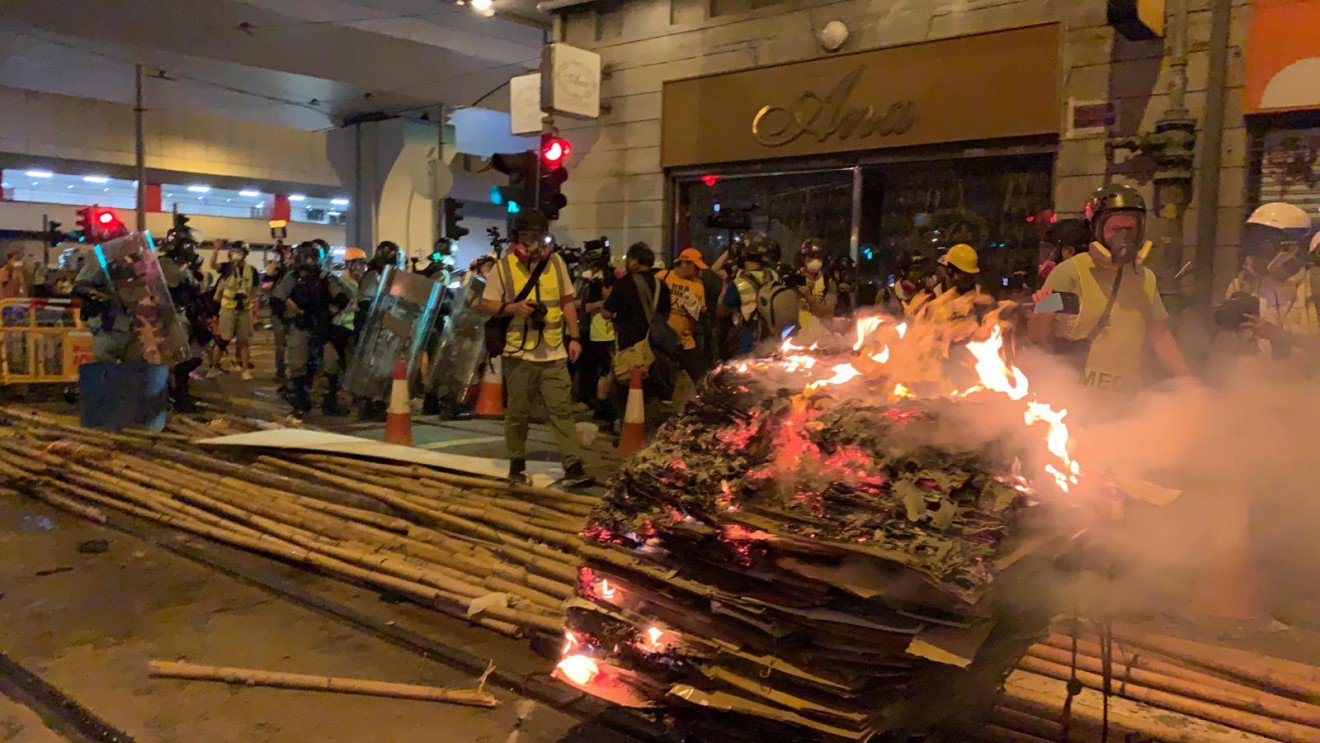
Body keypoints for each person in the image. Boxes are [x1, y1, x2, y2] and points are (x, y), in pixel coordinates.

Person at [1029, 183, 1191, 395]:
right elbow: (1035, 335)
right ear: (1098, 229)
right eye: (1115, 230)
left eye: (1129, 230)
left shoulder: (1145, 279)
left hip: (1127, 401)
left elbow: (1160, 335)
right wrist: (1044, 311)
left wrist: (1189, 383)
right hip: (1076, 400)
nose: (1123, 238)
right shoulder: (1068, 273)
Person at [479, 211, 592, 488]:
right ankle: (517, 464)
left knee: (561, 410)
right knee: (517, 412)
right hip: (518, 352)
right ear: (517, 237)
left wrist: (575, 337)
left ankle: (573, 466)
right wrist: (514, 308)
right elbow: (486, 304)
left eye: (539, 235)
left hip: (553, 350)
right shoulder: (503, 267)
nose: (535, 241)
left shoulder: (556, 263)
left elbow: (567, 302)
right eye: (528, 235)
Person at [272, 242, 353, 415]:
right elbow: (278, 299)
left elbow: (344, 297)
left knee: (330, 363)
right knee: (298, 363)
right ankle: (300, 400)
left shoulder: (324, 277)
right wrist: (294, 311)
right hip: (299, 325)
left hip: (321, 326)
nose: (311, 262)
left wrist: (330, 312)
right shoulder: (292, 277)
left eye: (313, 258)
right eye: (308, 258)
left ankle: (328, 401)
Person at [601, 242, 672, 406]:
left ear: (634, 261)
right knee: (649, 392)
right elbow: (666, 315)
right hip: (653, 347)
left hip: (628, 346)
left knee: (627, 390)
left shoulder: (624, 283)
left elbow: (607, 312)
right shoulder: (661, 286)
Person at [321, 247, 368, 415]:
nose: (361, 267)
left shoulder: (357, 283)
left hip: (350, 330)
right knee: (335, 367)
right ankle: (332, 401)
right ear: (350, 264)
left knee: (346, 367)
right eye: (359, 264)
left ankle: (342, 400)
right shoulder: (342, 283)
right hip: (339, 329)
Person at [575, 239, 617, 426]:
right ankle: (588, 399)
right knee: (587, 366)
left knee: (604, 368)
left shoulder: (606, 277)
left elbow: (610, 298)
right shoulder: (584, 279)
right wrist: (590, 305)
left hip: (604, 330)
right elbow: (576, 302)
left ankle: (601, 405)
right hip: (587, 328)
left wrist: (599, 303)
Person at [660, 248, 709, 405]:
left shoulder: (698, 285)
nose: (698, 271)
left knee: (699, 377)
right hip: (663, 340)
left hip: (686, 340)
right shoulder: (663, 277)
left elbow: (702, 313)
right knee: (664, 379)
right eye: (696, 267)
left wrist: (694, 308)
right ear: (684, 263)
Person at [719, 233, 779, 355]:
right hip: (772, 339)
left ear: (744, 254)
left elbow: (721, 312)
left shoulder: (739, 283)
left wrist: (725, 285)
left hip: (748, 340)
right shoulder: (774, 275)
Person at [211, 241, 258, 380]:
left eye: (239, 251)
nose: (236, 254)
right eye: (234, 251)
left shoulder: (252, 270)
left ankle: (245, 369)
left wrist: (251, 303)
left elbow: (254, 289)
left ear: (245, 254)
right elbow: (213, 265)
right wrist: (216, 250)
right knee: (222, 339)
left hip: (244, 309)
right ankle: (214, 367)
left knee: (244, 340)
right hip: (228, 308)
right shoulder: (227, 267)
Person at [794, 239, 838, 339]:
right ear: (803, 258)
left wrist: (808, 297)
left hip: (819, 336)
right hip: (797, 335)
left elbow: (827, 313)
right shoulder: (794, 279)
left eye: (818, 257)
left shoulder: (828, 282)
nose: (815, 260)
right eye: (811, 256)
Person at [265, 242, 293, 382]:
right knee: (281, 345)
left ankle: (293, 372)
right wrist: (276, 258)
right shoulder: (278, 271)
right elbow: (266, 283)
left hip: (292, 313)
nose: (287, 256)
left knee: (294, 344)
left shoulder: (295, 271)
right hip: (278, 313)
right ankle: (280, 372)